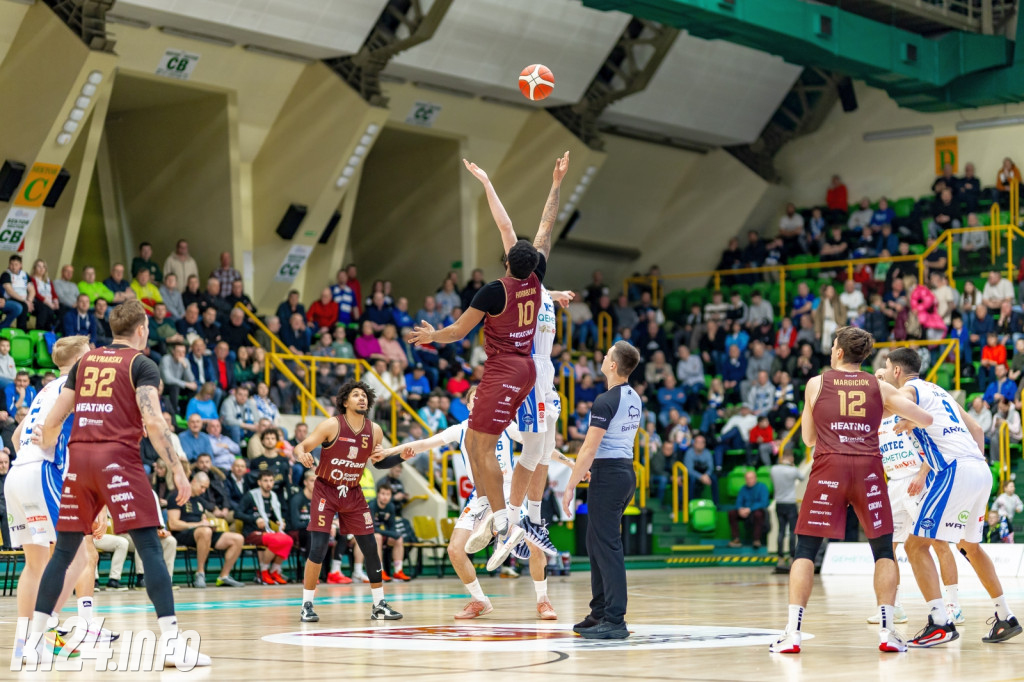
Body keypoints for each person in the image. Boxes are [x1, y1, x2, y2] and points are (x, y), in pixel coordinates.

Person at [23, 301, 210, 668]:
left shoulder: (84, 363)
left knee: (64, 553)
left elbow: (55, 418)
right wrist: (176, 467)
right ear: (141, 329)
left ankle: (32, 645)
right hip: (117, 459)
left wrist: (44, 445)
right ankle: (172, 645)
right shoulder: (141, 364)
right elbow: (153, 422)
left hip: (79, 459)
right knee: (150, 547)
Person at [408, 152, 567, 569]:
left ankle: (506, 520)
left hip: (510, 367)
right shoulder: (536, 279)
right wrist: (555, 183)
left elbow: (458, 332)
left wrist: (431, 337)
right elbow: (544, 225)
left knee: (486, 446)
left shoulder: (496, 290)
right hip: (529, 368)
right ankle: (504, 514)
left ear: (507, 260)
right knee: (509, 446)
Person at [770, 327, 934, 655]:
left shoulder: (816, 384)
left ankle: (793, 634)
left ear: (840, 352)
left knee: (805, 550)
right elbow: (926, 419)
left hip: (829, 467)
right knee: (883, 551)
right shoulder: (879, 386)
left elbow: (808, 439)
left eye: (833, 345)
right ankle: (887, 632)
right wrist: (899, 418)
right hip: (868, 470)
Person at [882, 347, 1022, 646]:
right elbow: (976, 429)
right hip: (979, 469)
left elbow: (890, 406)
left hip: (954, 470)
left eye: (886, 367)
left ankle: (940, 623)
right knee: (969, 546)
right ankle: (1005, 616)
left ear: (896, 370)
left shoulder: (908, 391)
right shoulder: (941, 392)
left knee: (915, 545)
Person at [4, 336, 117, 652]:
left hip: (17, 473)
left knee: (35, 564)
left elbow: (16, 436)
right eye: (90, 351)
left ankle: (25, 642)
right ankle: (45, 628)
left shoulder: (45, 390)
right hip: (43, 472)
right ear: (81, 357)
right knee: (79, 556)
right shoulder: (79, 385)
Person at [292, 381, 402, 623]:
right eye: (356, 395)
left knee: (370, 547)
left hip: (353, 492)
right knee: (318, 548)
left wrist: (400, 456)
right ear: (345, 401)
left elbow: (379, 462)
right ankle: (306, 605)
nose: (361, 398)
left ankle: (379, 605)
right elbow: (301, 446)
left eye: (364, 395)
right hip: (326, 490)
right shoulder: (332, 425)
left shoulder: (375, 430)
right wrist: (301, 454)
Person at [866, 367, 963, 627]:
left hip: (919, 480)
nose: (878, 381)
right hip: (894, 484)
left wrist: (922, 474)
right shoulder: (875, 418)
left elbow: (936, 442)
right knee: (887, 547)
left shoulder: (906, 407)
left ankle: (954, 606)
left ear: (891, 379)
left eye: (882, 377)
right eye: (875, 378)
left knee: (939, 543)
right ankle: (894, 606)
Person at [559, 341, 641, 640]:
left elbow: (589, 448)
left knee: (607, 546)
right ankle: (600, 612)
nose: (603, 358)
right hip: (623, 472)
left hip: (609, 476)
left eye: (607, 355)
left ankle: (615, 619)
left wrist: (570, 486)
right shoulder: (634, 397)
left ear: (613, 365)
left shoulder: (606, 400)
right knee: (596, 544)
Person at [166, 472, 245, 588]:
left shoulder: (200, 500)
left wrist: (207, 524)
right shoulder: (176, 496)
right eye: (202, 487)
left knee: (238, 538)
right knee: (205, 531)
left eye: (205, 488)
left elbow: (203, 518)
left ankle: (224, 576)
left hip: (202, 533)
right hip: (183, 533)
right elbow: (173, 524)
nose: (203, 491)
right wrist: (199, 525)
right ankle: (200, 573)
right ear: (194, 482)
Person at [236, 470, 293, 584]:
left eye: (271, 481)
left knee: (288, 540)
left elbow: (269, 516)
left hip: (266, 531)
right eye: (265, 481)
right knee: (276, 540)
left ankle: (274, 571)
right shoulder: (251, 496)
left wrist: (278, 521)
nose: (269, 484)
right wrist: (255, 519)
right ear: (259, 482)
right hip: (251, 532)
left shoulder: (273, 496)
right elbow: (237, 514)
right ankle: (263, 571)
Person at [368, 483, 411, 582]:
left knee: (398, 539)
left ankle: (398, 571)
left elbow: (392, 527)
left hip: (382, 533)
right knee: (378, 537)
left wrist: (393, 534)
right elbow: (372, 528)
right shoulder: (371, 505)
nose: (385, 497)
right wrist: (391, 534)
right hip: (367, 535)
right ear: (378, 494)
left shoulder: (391, 506)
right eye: (383, 494)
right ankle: (379, 571)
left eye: (388, 494)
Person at [770, 453, 803, 566]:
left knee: (781, 531)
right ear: (790, 458)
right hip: (790, 503)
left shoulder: (774, 469)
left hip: (779, 503)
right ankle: (791, 556)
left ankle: (780, 557)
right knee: (792, 531)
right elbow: (802, 478)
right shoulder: (793, 470)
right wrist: (792, 466)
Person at [728, 470, 768, 548]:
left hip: (755, 511)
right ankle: (736, 539)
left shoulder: (762, 487)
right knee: (732, 513)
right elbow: (739, 501)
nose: (749, 480)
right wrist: (740, 509)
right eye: (747, 479)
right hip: (744, 511)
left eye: (751, 478)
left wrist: (749, 509)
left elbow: (764, 502)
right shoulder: (743, 488)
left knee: (758, 514)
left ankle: (756, 540)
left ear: (755, 478)